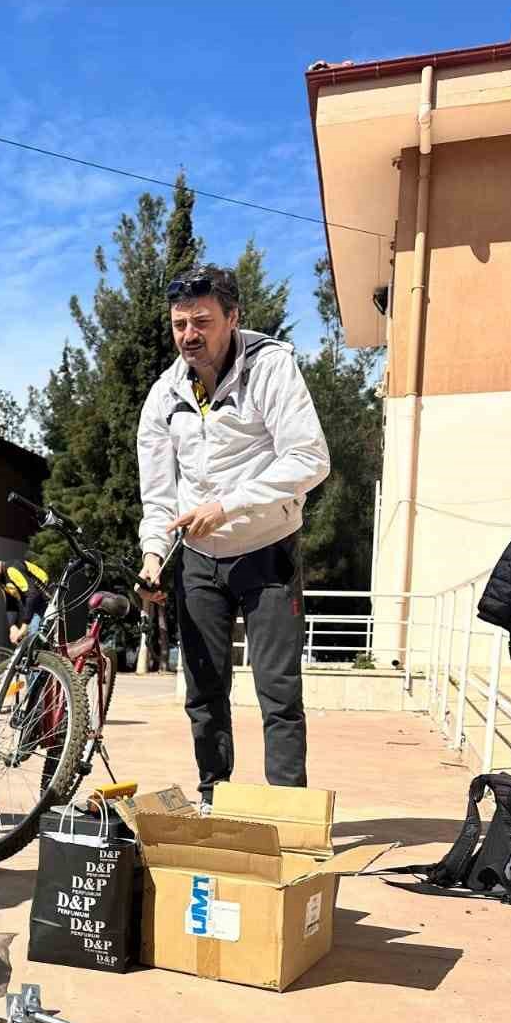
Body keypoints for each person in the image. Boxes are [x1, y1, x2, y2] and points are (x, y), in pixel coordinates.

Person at [136, 265, 329, 805]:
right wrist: (153, 557)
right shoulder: (162, 395)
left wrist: (228, 506)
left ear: (233, 318)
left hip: (268, 552)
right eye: (179, 324)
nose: (189, 336)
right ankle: (212, 798)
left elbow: (310, 458)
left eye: (201, 321)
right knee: (202, 692)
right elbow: (158, 497)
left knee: (278, 691)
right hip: (198, 558)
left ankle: (287, 809)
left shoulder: (270, 367)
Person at [0, 551, 50, 644]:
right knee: (28, 643)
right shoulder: (1, 581)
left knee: (34, 641)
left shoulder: (12, 569)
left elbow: (33, 594)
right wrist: (12, 627)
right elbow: (11, 604)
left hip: (47, 602)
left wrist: (24, 626)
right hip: (36, 608)